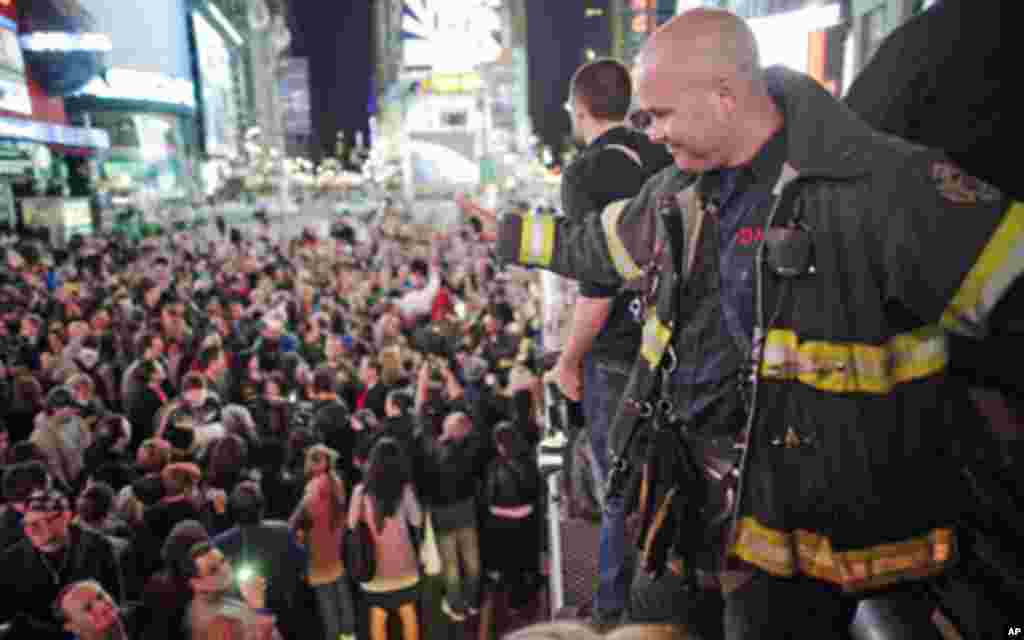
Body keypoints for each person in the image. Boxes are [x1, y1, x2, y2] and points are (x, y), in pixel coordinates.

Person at [497, 8, 1023, 638]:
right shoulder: (677, 195)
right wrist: (508, 234)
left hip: (839, 553)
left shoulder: (888, 189)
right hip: (705, 520)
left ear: (723, 97)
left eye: (659, 114)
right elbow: (595, 246)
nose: (652, 134)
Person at [550, 57, 673, 628]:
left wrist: (568, 361)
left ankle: (612, 608)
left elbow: (597, 286)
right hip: (674, 336)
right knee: (671, 468)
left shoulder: (582, 175)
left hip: (618, 352)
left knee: (617, 481)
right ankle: (669, 586)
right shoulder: (662, 154)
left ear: (579, 110)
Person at [0, 489, 122, 640]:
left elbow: (115, 599)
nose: (31, 530)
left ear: (66, 516)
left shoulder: (98, 547)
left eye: (43, 521)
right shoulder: (10, 560)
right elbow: (8, 616)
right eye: (28, 523)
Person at [347, 437, 423, 640]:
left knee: (378, 617)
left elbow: (351, 524)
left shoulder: (360, 492)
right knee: (408, 614)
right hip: (405, 568)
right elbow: (417, 519)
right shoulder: (404, 489)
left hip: (374, 572)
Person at [214, 481, 309, 640]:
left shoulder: (219, 543)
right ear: (261, 507)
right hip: (283, 611)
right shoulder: (283, 530)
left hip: (241, 617)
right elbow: (302, 563)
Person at [180, 541, 281, 640]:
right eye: (213, 570)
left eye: (223, 561)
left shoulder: (221, 595)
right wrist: (259, 608)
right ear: (196, 583)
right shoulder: (215, 623)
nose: (225, 569)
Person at [53, 580, 145, 640]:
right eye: (88, 608)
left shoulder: (147, 617)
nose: (102, 606)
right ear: (72, 626)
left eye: (100, 597)